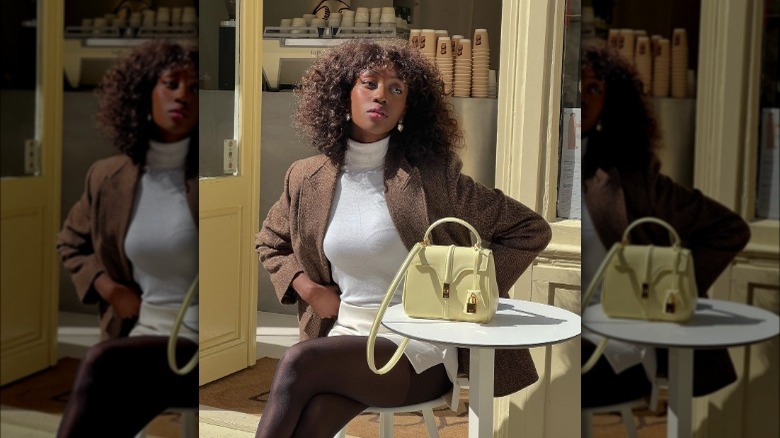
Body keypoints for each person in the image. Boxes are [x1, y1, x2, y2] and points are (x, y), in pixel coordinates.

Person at [254, 38, 552, 437]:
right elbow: (270, 243)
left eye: (397, 89)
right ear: (343, 95)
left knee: (297, 361)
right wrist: (307, 288)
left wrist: (469, 292)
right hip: (342, 338)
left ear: (408, 108)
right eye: (369, 83)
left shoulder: (432, 179)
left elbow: (530, 229)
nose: (382, 95)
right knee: (313, 417)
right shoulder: (307, 177)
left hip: (417, 350)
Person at [580, 40, 751, 408]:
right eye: (576, 84)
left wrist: (674, 287)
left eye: (594, 88)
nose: (582, 96)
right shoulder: (544, 172)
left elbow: (730, 228)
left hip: (614, 346)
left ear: (611, 106)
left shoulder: (633, 182)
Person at [55, 40, 199, 437]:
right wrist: (108, 288)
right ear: (144, 93)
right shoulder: (108, 176)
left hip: (197, 346)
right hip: (139, 335)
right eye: (171, 84)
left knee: (102, 366)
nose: (182, 96)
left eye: (194, 88)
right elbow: (71, 242)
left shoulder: (211, 181)